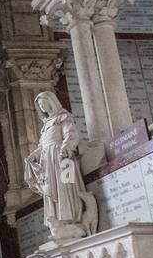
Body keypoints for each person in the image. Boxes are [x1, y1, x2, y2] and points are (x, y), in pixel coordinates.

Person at [23, 90, 97, 244]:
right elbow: (42, 146)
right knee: (50, 190)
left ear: (51, 101)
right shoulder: (45, 126)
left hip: (63, 158)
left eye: (44, 102)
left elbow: (71, 134)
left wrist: (66, 147)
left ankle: (72, 221)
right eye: (40, 105)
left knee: (66, 187)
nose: (42, 106)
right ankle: (58, 222)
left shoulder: (63, 116)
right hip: (47, 161)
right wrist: (34, 156)